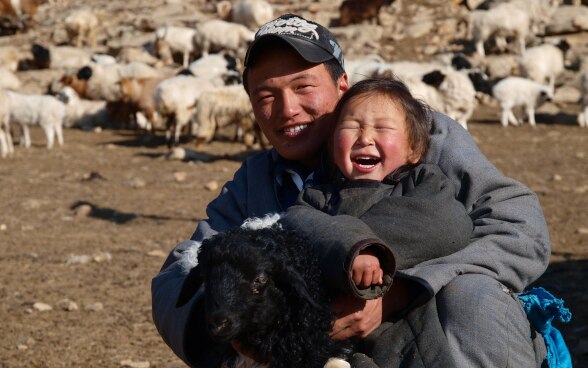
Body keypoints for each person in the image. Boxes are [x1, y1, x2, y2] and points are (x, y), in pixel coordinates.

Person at [152, 13, 550, 367]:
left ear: (342, 84)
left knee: (471, 296)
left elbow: (518, 225)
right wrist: (247, 337)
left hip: (443, 340)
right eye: (266, 96)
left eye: (303, 86)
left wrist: (401, 291)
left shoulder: (415, 135)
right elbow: (178, 275)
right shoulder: (256, 183)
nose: (287, 109)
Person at [280, 77, 474, 303]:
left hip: (405, 328)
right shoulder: (317, 196)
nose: (364, 138)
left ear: (415, 149)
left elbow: (448, 223)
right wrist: (349, 245)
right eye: (351, 126)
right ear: (332, 146)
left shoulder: (423, 181)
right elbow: (296, 222)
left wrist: (366, 248)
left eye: (382, 128)